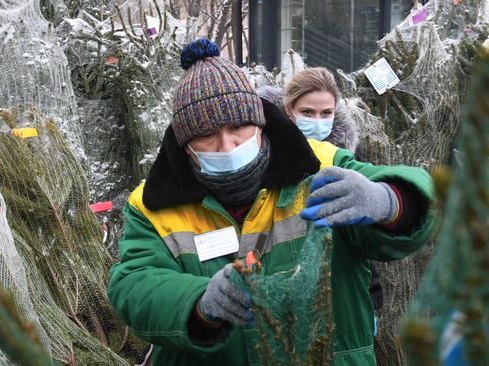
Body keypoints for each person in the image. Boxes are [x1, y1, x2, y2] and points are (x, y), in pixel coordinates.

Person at [108, 38, 438, 366]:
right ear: (185, 146)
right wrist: (197, 303)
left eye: (238, 126)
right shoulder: (152, 206)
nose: (226, 145)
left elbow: (421, 202)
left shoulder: (319, 166)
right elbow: (135, 284)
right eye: (206, 135)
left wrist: (388, 201)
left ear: (260, 125)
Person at [281, 67, 384, 329]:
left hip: (340, 294)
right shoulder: (270, 158)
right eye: (307, 112)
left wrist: (373, 298)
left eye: (326, 113)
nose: (318, 121)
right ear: (288, 111)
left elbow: (364, 233)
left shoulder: (346, 159)